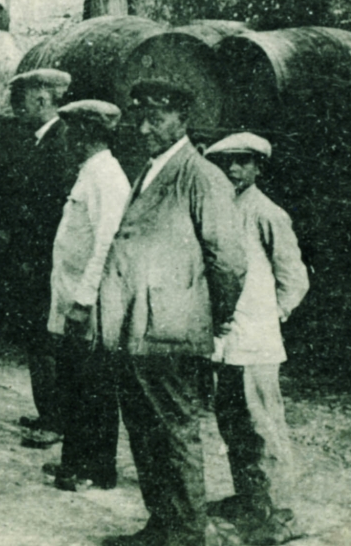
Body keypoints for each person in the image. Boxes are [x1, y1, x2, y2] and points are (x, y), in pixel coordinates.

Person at [101, 79, 247, 546]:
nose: (144, 127)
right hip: (139, 328)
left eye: (157, 118)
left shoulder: (201, 176)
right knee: (145, 430)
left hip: (173, 329)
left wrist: (211, 318)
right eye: (139, 116)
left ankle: (185, 533)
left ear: (183, 120)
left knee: (176, 431)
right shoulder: (150, 170)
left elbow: (229, 261)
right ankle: (161, 524)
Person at [204, 132, 309, 546]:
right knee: (233, 424)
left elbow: (294, 278)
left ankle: (280, 516)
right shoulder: (221, 208)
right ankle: (250, 499)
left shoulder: (268, 213)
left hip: (257, 339)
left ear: (258, 167)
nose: (233, 169)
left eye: (243, 161)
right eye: (227, 161)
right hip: (228, 340)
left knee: (262, 426)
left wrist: (272, 314)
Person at [46, 100, 130, 491]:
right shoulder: (90, 173)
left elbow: (106, 245)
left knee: (89, 386)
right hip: (73, 299)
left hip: (89, 306)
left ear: (85, 135)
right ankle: (80, 460)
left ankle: (93, 467)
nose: (66, 139)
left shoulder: (106, 178)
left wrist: (83, 302)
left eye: (71, 131)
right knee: (76, 383)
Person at [7, 68, 75, 448]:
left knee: (47, 340)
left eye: (23, 97)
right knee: (37, 338)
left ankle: (55, 420)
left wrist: (37, 257)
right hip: (35, 259)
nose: (17, 105)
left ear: (43, 99)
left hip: (45, 261)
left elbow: (54, 209)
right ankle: (47, 412)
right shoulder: (40, 140)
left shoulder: (58, 142)